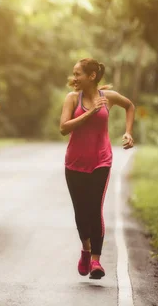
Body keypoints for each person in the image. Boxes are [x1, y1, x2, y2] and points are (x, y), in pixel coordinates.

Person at [59, 58, 135, 279]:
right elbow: (63, 128)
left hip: (101, 161)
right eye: (74, 74)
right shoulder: (72, 99)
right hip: (74, 163)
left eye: (78, 74)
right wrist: (90, 113)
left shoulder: (107, 98)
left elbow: (130, 105)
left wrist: (129, 132)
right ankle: (85, 249)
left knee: (94, 210)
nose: (74, 78)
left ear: (91, 76)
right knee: (81, 213)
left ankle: (95, 261)